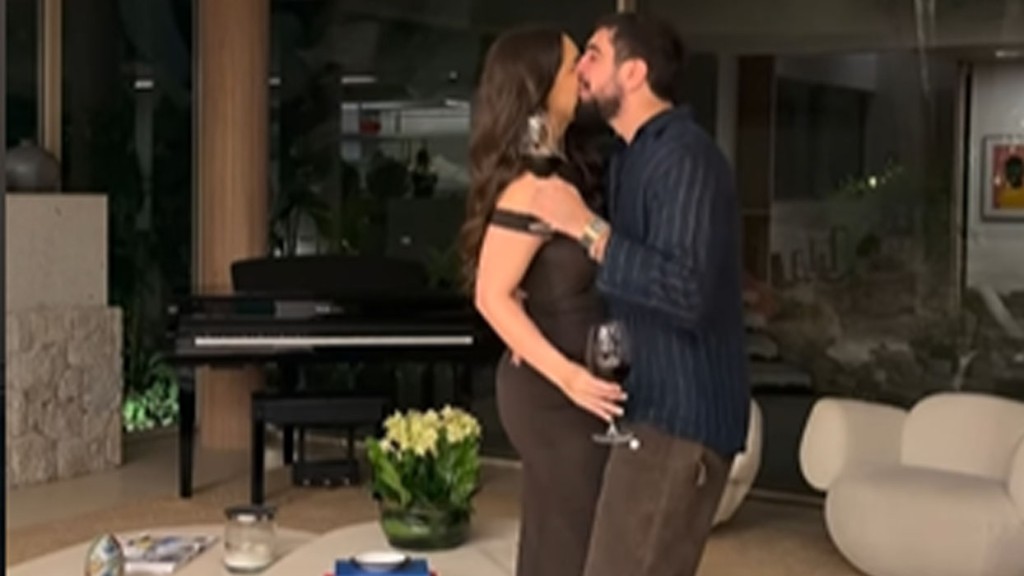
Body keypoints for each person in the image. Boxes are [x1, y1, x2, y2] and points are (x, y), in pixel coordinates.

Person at [527, 13, 751, 576]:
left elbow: (685, 291)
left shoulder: (685, 157)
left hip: (679, 420)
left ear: (634, 73)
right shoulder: (631, 158)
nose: (580, 67)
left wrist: (587, 229)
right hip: (645, 413)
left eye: (594, 54)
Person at [457, 25, 625, 576]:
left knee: (560, 540)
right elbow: (492, 295)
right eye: (574, 65)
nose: (584, 73)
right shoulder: (531, 187)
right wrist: (570, 377)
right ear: (541, 85)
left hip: (574, 388)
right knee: (568, 545)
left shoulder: (563, 171)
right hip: (555, 394)